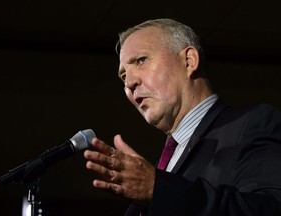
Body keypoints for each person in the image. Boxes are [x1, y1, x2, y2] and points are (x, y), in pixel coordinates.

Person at [83, 18, 281, 215]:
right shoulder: (164, 163)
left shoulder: (253, 123)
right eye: (124, 76)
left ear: (189, 61)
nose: (130, 83)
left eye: (141, 60)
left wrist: (157, 189)